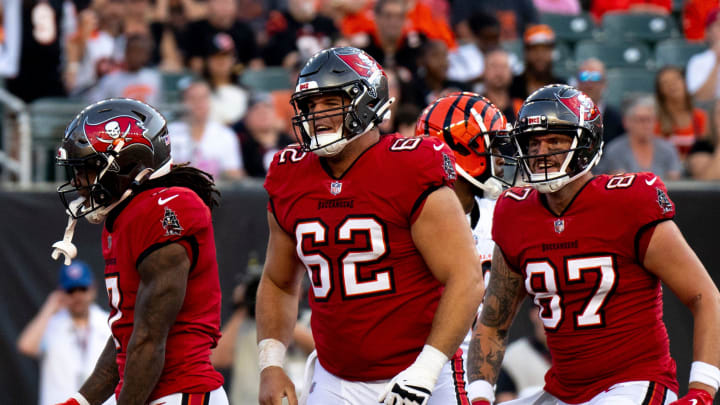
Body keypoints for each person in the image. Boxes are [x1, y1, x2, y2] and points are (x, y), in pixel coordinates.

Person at [466, 84, 720, 405]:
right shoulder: (514, 211)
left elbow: (705, 296)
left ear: (586, 145)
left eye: (555, 140)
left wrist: (701, 390)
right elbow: (492, 322)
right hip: (563, 390)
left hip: (632, 382)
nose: (541, 152)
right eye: (533, 143)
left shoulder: (628, 202)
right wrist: (479, 397)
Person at [257, 46, 484, 405]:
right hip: (335, 377)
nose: (316, 115)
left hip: (421, 369)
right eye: (310, 106)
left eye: (329, 102)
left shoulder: (409, 166)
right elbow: (278, 280)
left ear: (366, 101)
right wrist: (270, 363)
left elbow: (466, 277)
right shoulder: (290, 175)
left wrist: (425, 370)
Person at [50, 98, 228, 405]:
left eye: (89, 170)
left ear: (129, 165)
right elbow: (128, 334)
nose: (80, 184)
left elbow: (148, 338)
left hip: (182, 392)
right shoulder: (123, 218)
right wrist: (80, 401)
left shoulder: (165, 208)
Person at [415, 91, 514, 399]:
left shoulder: (502, 215)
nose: (501, 157)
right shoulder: (407, 219)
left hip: (478, 369)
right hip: (419, 367)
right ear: (461, 149)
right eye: (492, 146)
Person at [17, 261, 114, 405]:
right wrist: (49, 308)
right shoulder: (51, 324)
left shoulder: (109, 323)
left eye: (82, 288)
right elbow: (26, 346)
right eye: (71, 290)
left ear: (93, 288)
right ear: (61, 293)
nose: (77, 296)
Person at [168, 80, 246, 181]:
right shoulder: (169, 132)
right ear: (182, 102)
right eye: (192, 98)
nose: (198, 103)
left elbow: (235, 174)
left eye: (203, 98)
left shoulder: (225, 134)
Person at [594, 96, 682, 180]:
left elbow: (675, 180)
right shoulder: (615, 150)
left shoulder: (668, 149)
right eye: (640, 120)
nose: (646, 125)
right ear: (626, 122)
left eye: (649, 119)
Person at [654, 66, 708, 159]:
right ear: (660, 91)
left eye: (676, 79)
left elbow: (706, 150)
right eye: (665, 83)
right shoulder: (656, 120)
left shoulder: (700, 116)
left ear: (685, 83)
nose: (672, 85)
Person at [573, 58, 624, 145]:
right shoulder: (565, 115)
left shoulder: (616, 120)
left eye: (595, 77)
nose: (589, 84)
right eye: (584, 77)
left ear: (604, 83)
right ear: (577, 82)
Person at [510, 25, 566, 102]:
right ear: (526, 53)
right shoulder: (512, 86)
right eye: (534, 50)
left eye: (545, 50)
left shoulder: (562, 88)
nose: (540, 55)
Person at [686, 8, 720, 102]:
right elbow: (700, 99)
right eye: (719, 25)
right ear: (708, 32)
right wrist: (717, 63)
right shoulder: (697, 61)